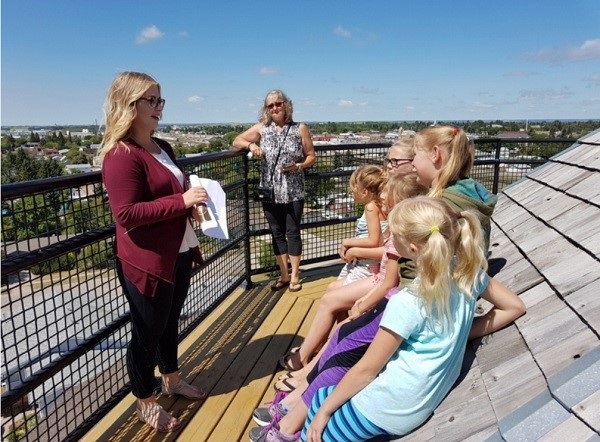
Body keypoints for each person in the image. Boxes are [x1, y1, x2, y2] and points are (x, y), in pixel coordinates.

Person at [301, 197, 526, 442]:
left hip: (383, 410)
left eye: (393, 235)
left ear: (412, 248)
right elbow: (514, 306)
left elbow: (366, 371)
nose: (390, 239)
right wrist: (459, 334)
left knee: (318, 409)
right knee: (322, 397)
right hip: (415, 408)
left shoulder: (408, 301)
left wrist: (324, 412)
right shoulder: (467, 274)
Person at [248, 174, 428, 442]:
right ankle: (299, 395)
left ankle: (289, 421)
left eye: (386, 203)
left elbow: (388, 280)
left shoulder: (401, 243)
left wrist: (363, 304)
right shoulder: (411, 237)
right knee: (341, 333)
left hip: (388, 300)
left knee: (343, 343)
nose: (382, 207)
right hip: (391, 298)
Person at [99, 71, 208, 433]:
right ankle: (145, 400)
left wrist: (188, 205)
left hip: (176, 250)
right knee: (146, 332)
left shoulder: (163, 147)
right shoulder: (121, 155)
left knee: (169, 321)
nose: (159, 107)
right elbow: (126, 214)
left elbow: (172, 196)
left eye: (161, 100)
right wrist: (181, 200)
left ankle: (172, 380)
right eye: (152, 100)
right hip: (145, 260)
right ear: (129, 104)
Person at [233, 90, 316, 292]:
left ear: (286, 105)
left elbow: (311, 156)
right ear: (266, 109)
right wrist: (252, 145)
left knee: (293, 232)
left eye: (278, 103)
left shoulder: (299, 128)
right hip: (269, 190)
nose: (275, 108)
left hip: (293, 190)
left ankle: (295, 275)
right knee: (276, 233)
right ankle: (284, 275)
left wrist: (298, 166)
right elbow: (236, 142)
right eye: (270, 105)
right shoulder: (262, 129)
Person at [412, 125, 497, 250]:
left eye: (414, 155)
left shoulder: (441, 205)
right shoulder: (471, 193)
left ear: (435, 154)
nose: (412, 163)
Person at [335, 165, 388, 286]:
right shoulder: (382, 206)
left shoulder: (371, 207)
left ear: (364, 192)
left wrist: (347, 242)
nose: (351, 191)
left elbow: (373, 241)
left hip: (366, 264)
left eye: (353, 188)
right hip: (370, 262)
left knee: (337, 293)